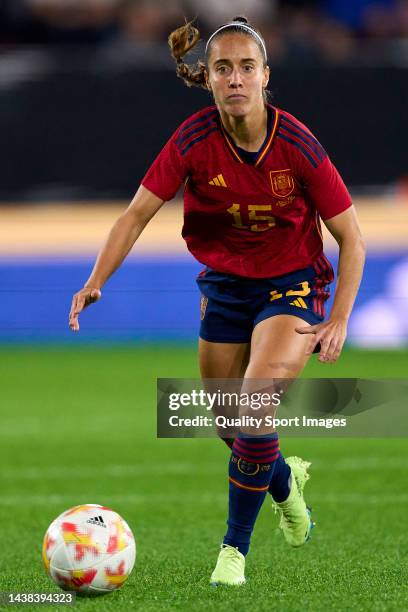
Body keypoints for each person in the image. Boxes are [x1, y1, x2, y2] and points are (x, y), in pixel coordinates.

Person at [69, 16, 365, 586]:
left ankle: (234, 552)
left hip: (293, 284)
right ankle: (284, 481)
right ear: (208, 78)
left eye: (246, 68)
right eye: (224, 68)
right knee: (231, 426)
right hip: (225, 287)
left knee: (254, 406)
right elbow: (136, 214)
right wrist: (95, 279)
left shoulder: (298, 144)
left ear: (265, 75)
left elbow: (351, 236)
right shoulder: (193, 140)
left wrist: (340, 317)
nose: (236, 79)